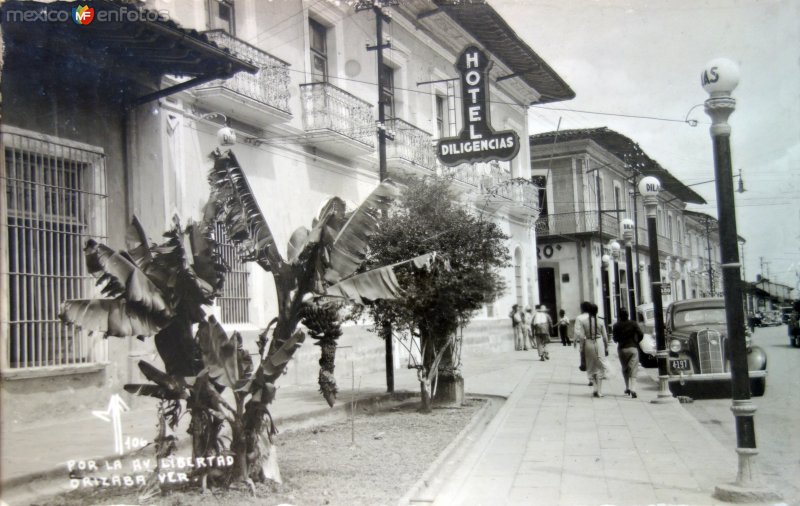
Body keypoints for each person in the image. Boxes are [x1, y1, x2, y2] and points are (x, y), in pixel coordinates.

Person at [574, 301, 610, 397]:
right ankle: (599, 390)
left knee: (591, 366)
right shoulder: (601, 321)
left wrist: (581, 347)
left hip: (588, 343)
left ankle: (594, 387)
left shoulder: (584, 322)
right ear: (597, 311)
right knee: (600, 366)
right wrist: (606, 347)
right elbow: (605, 337)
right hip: (599, 343)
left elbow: (581, 337)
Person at [612, 308, 643, 398]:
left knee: (625, 368)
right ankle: (633, 388)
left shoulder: (616, 325)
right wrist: (636, 342)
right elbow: (641, 334)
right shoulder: (633, 323)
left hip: (622, 349)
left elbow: (615, 339)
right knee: (633, 368)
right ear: (628, 315)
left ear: (619, 316)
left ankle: (627, 387)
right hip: (633, 348)